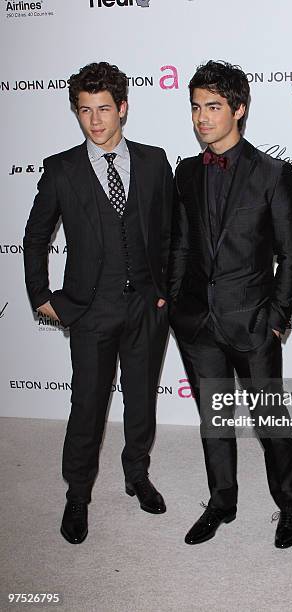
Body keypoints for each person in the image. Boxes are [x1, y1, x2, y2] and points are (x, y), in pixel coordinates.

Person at [23, 62, 172, 544]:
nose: (94, 121)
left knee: (142, 399)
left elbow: (172, 233)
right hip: (90, 309)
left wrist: (167, 291)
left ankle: (137, 474)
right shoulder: (62, 169)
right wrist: (42, 296)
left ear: (122, 108)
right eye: (84, 111)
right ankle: (77, 494)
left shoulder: (153, 161)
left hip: (146, 307)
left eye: (103, 109)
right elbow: (35, 236)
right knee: (87, 403)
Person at [168, 60, 292, 547]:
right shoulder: (186, 171)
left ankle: (290, 507)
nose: (202, 117)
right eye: (196, 107)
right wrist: (176, 307)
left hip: (252, 323)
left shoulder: (272, 173)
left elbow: (291, 253)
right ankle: (222, 501)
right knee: (214, 420)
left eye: (213, 107)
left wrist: (278, 320)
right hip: (197, 323)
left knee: (270, 422)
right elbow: (181, 244)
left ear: (239, 109)